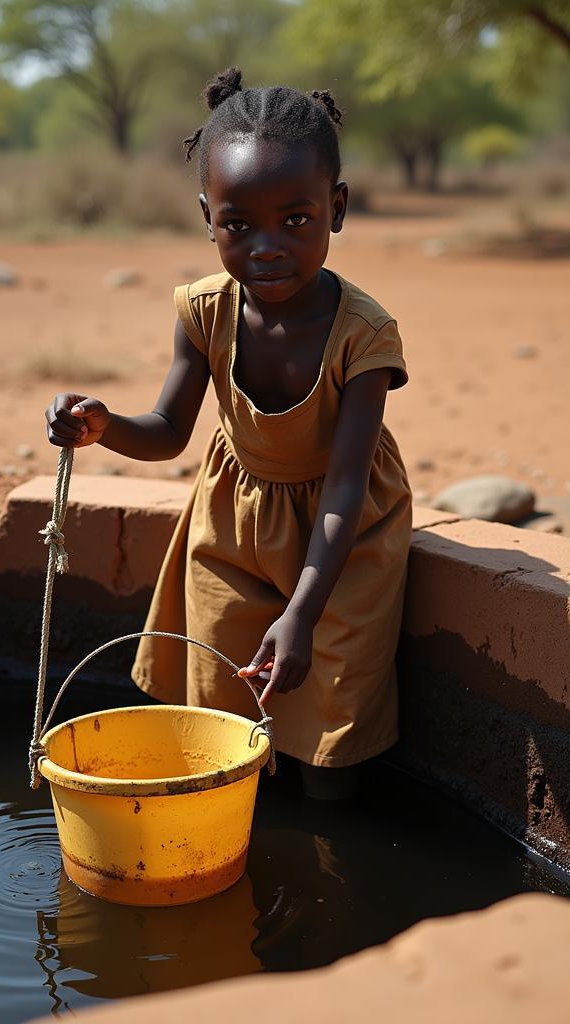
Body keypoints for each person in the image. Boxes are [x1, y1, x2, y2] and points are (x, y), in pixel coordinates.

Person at [45, 67, 411, 800]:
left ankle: (324, 871)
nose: (267, 246)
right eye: (238, 225)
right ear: (207, 214)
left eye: (297, 220)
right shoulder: (205, 311)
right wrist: (104, 425)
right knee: (218, 718)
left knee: (330, 751)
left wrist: (303, 613)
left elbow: (345, 486)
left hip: (344, 539)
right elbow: (168, 431)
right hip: (232, 524)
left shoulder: (364, 337)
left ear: (336, 209)